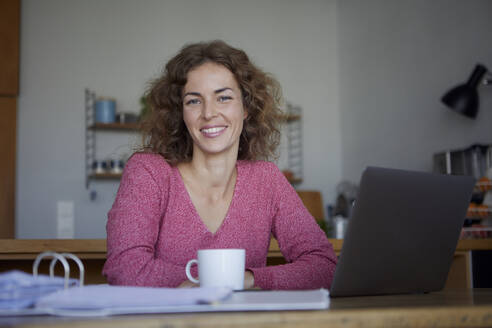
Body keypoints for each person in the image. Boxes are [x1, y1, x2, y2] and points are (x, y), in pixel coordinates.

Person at [102, 40, 337, 290]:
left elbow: (324, 265)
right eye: (194, 101)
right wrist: (224, 280)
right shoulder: (148, 172)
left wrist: (250, 280)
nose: (209, 113)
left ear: (246, 108)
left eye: (223, 98)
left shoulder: (266, 180)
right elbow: (126, 268)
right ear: (180, 113)